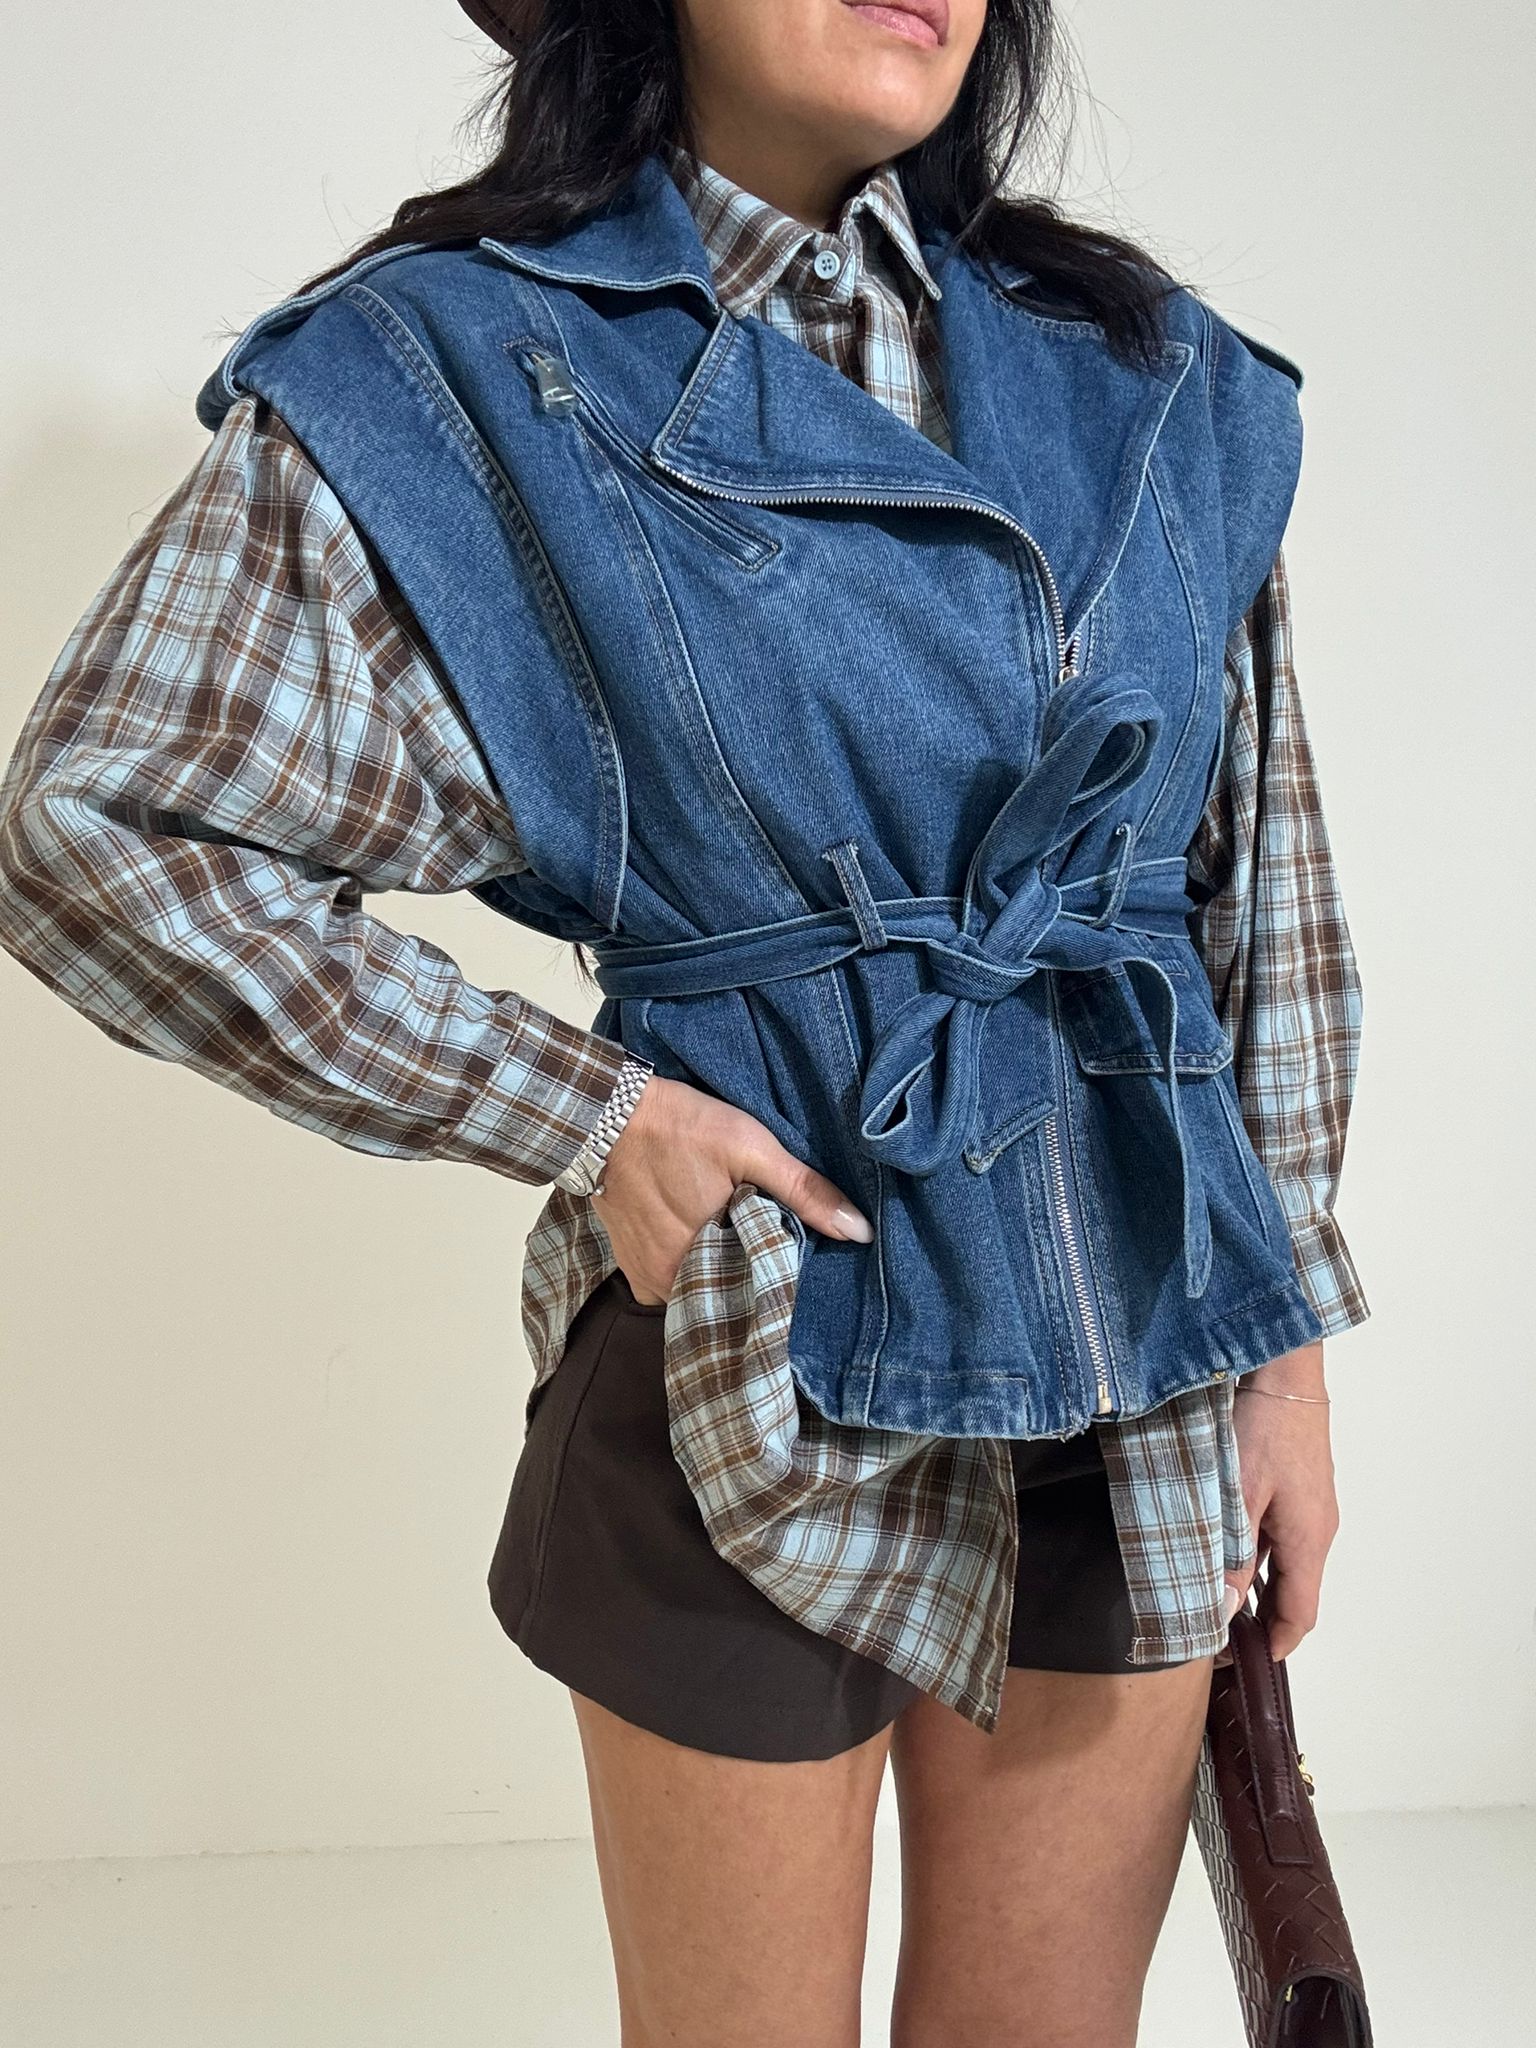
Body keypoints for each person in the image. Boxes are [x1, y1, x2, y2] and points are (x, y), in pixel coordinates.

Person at [0, 1, 1369, 2042]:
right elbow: (99, 821)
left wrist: (1286, 1350)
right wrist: (585, 1114)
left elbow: (1251, 883)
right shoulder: (458, 368)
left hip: (1137, 1353)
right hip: (755, 1356)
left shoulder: (1137, 368)